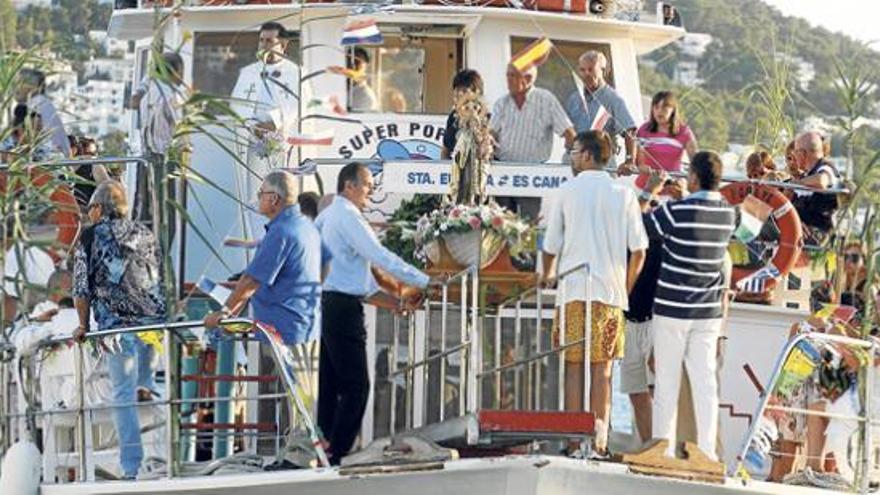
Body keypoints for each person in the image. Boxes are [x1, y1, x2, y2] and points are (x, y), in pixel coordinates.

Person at [315, 162, 437, 464]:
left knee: (330, 386)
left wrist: (397, 304)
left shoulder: (326, 217)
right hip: (341, 308)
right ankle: (338, 454)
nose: (371, 191)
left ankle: (323, 446)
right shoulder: (348, 217)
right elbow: (380, 257)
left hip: (327, 305)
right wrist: (424, 280)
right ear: (349, 186)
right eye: (368, 185)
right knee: (357, 386)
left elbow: (362, 284)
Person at [541, 130, 648, 454]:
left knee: (573, 368)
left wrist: (546, 276)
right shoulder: (624, 193)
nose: (571, 157)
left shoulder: (566, 191)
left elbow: (550, 246)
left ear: (587, 155)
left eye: (574, 151)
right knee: (602, 371)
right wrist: (624, 290)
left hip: (573, 290)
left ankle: (574, 442)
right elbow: (639, 250)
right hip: (610, 294)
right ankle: (598, 442)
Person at [639, 151, 737, 460]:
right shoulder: (729, 214)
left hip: (672, 308)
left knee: (666, 381)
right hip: (707, 312)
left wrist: (650, 192)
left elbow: (641, 226)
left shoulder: (676, 210)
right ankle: (707, 453)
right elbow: (752, 228)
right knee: (705, 382)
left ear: (693, 177)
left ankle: (663, 450)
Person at [72, 181, 166, 479]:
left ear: (99, 208)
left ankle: (132, 466)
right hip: (152, 326)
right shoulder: (145, 233)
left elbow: (80, 289)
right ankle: (164, 457)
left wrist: (83, 325)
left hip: (116, 328)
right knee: (152, 391)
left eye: (90, 210)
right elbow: (157, 277)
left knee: (122, 396)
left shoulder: (89, 238)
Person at [204, 171, 328, 346]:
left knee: (278, 374)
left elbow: (250, 282)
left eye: (261, 194)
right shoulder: (304, 226)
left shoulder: (281, 232)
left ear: (274, 199)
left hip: (283, 334)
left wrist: (224, 313)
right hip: (305, 328)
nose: (259, 199)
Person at [491, 64, 575, 219]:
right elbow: (491, 134)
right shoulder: (502, 103)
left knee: (527, 226)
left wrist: (571, 160)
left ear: (528, 78)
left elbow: (569, 133)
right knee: (500, 225)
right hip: (502, 172)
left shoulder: (546, 100)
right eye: (507, 75)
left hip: (531, 175)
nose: (508, 80)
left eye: (513, 75)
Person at [564, 51, 637, 172]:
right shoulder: (574, 98)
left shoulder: (613, 99)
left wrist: (629, 161)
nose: (586, 74)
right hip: (574, 164)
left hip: (601, 165)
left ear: (602, 70)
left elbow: (630, 131)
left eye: (591, 69)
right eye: (582, 70)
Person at [790, 131, 841, 242]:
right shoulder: (806, 176)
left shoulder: (826, 168)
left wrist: (797, 184)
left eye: (795, 153)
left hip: (817, 233)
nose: (794, 159)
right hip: (798, 229)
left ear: (802, 154)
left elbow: (822, 181)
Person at [635, 91, 697, 174]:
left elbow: (695, 161)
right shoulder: (644, 129)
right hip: (646, 183)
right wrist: (641, 167)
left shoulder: (684, 131)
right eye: (656, 107)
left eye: (664, 108)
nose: (660, 111)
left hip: (673, 183)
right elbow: (638, 160)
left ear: (673, 110)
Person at [16, 68, 71, 157]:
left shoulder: (33, 106)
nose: (16, 88)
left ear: (35, 87)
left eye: (20, 83)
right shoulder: (44, 103)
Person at [442, 69, 484, 159]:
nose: (459, 95)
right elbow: (445, 150)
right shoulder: (452, 117)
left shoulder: (486, 119)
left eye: (464, 91)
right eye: (457, 91)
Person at [347, 47, 378, 113]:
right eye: (349, 61)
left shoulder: (365, 96)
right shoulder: (339, 87)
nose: (353, 66)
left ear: (365, 66)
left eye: (357, 62)